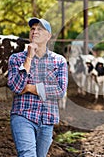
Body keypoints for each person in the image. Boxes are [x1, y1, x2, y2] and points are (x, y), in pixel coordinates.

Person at [7, 18, 68, 157]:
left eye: (40, 29)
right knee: (27, 154)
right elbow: (16, 87)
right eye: (32, 29)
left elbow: (59, 90)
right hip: (23, 115)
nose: (35, 32)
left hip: (47, 119)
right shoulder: (16, 59)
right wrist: (29, 58)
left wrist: (29, 88)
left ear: (49, 36)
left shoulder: (59, 61)